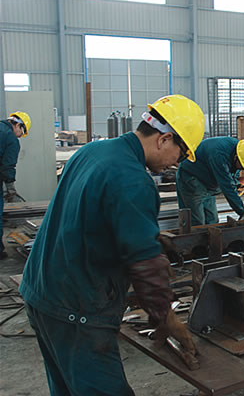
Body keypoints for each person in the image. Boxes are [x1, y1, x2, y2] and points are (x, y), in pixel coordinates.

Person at [19, 95, 204, 395]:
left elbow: (89, 216)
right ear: (164, 139)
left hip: (41, 293)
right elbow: (144, 265)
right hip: (77, 309)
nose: (176, 163)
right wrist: (167, 319)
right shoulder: (132, 179)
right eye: (181, 155)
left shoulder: (93, 151)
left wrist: (147, 237)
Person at [176, 137, 244, 225]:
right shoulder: (219, 155)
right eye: (242, 166)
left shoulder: (241, 151)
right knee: (197, 222)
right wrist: (242, 212)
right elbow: (227, 185)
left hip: (207, 180)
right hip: (191, 177)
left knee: (212, 220)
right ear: (236, 157)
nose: (241, 169)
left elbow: (234, 171)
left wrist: (236, 185)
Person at [0, 111, 30, 259]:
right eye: (22, 132)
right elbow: (8, 165)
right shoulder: (10, 138)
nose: (19, 136)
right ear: (17, 125)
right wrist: (10, 187)